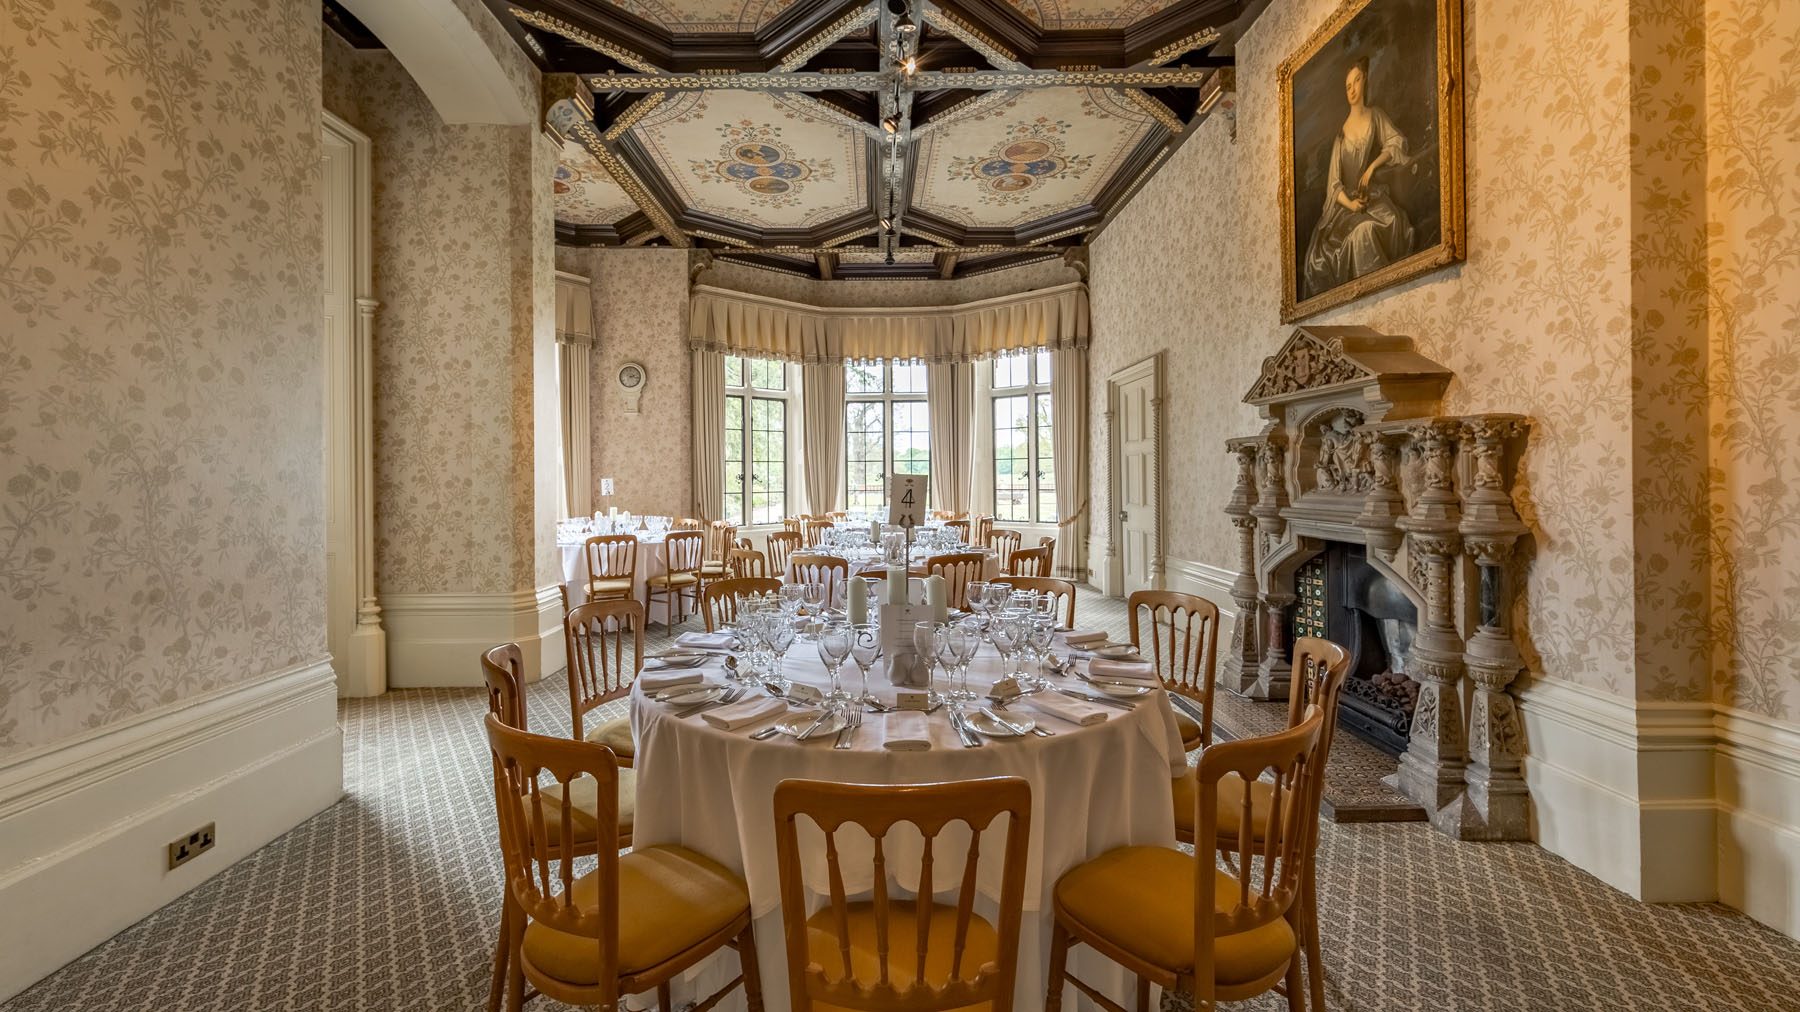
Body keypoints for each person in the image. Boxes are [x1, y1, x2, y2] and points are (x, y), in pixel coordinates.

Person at [1302, 55, 1417, 298]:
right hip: (1347, 207)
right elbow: (1333, 186)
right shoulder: (1341, 135)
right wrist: (1352, 205)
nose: (1352, 89)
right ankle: (1379, 298)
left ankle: (1388, 294)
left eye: (1356, 81)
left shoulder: (1375, 116)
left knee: (1393, 221)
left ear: (1365, 80)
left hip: (1371, 197)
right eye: (1347, 85)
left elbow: (1396, 143)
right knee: (1362, 232)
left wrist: (1372, 167)